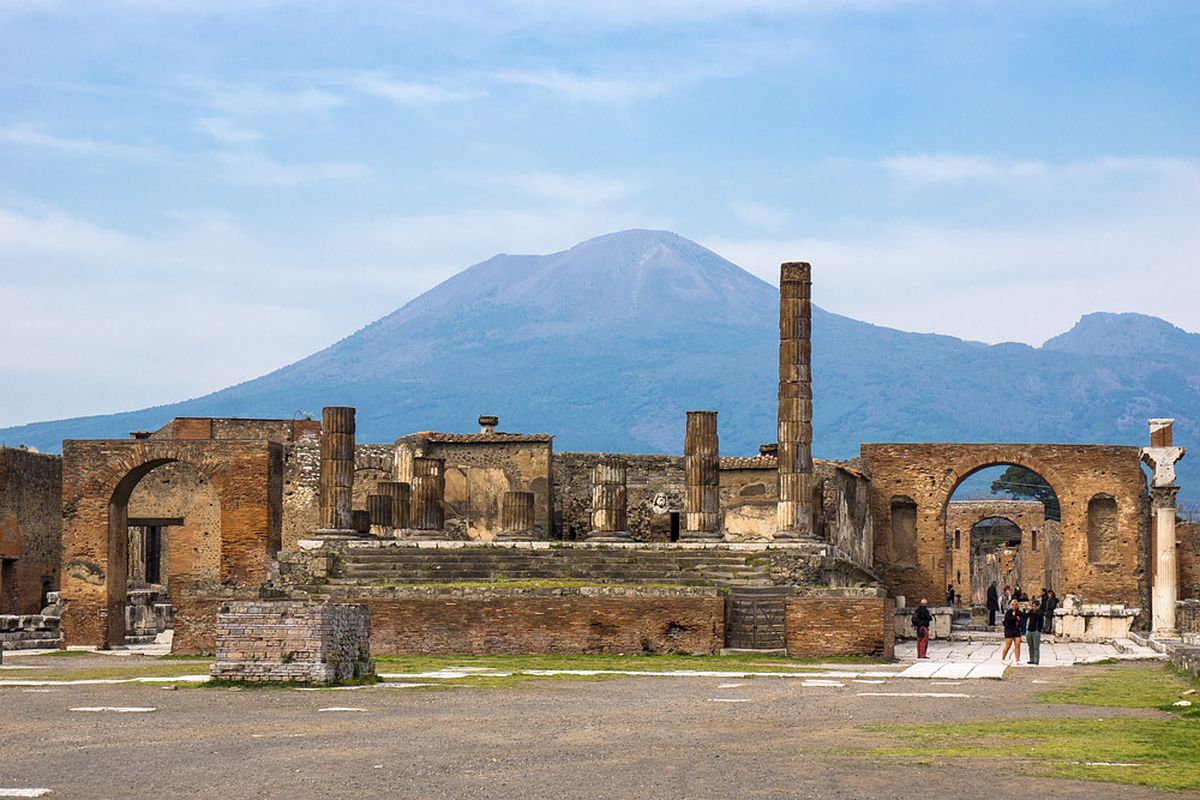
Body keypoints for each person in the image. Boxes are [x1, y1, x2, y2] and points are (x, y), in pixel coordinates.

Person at [1000, 599, 1024, 664]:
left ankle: (1017, 659)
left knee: (1018, 645)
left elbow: (1023, 616)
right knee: (1008, 645)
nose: (1014, 606)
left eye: (1015, 605)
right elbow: (1007, 619)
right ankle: (1003, 658)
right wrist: (1015, 617)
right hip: (1009, 630)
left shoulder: (1019, 612)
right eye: (1013, 605)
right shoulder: (1008, 612)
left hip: (1016, 630)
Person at [1025, 599, 1045, 665]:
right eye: (1032, 606)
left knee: (1036, 647)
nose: (1033, 608)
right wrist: (1027, 610)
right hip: (1029, 630)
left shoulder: (1040, 612)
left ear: (1038, 606)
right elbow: (1025, 616)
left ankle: (1036, 660)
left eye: (1034, 606)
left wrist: (1040, 630)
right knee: (1030, 646)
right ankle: (1031, 659)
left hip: (1036, 631)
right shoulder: (1031, 612)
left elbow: (1038, 617)